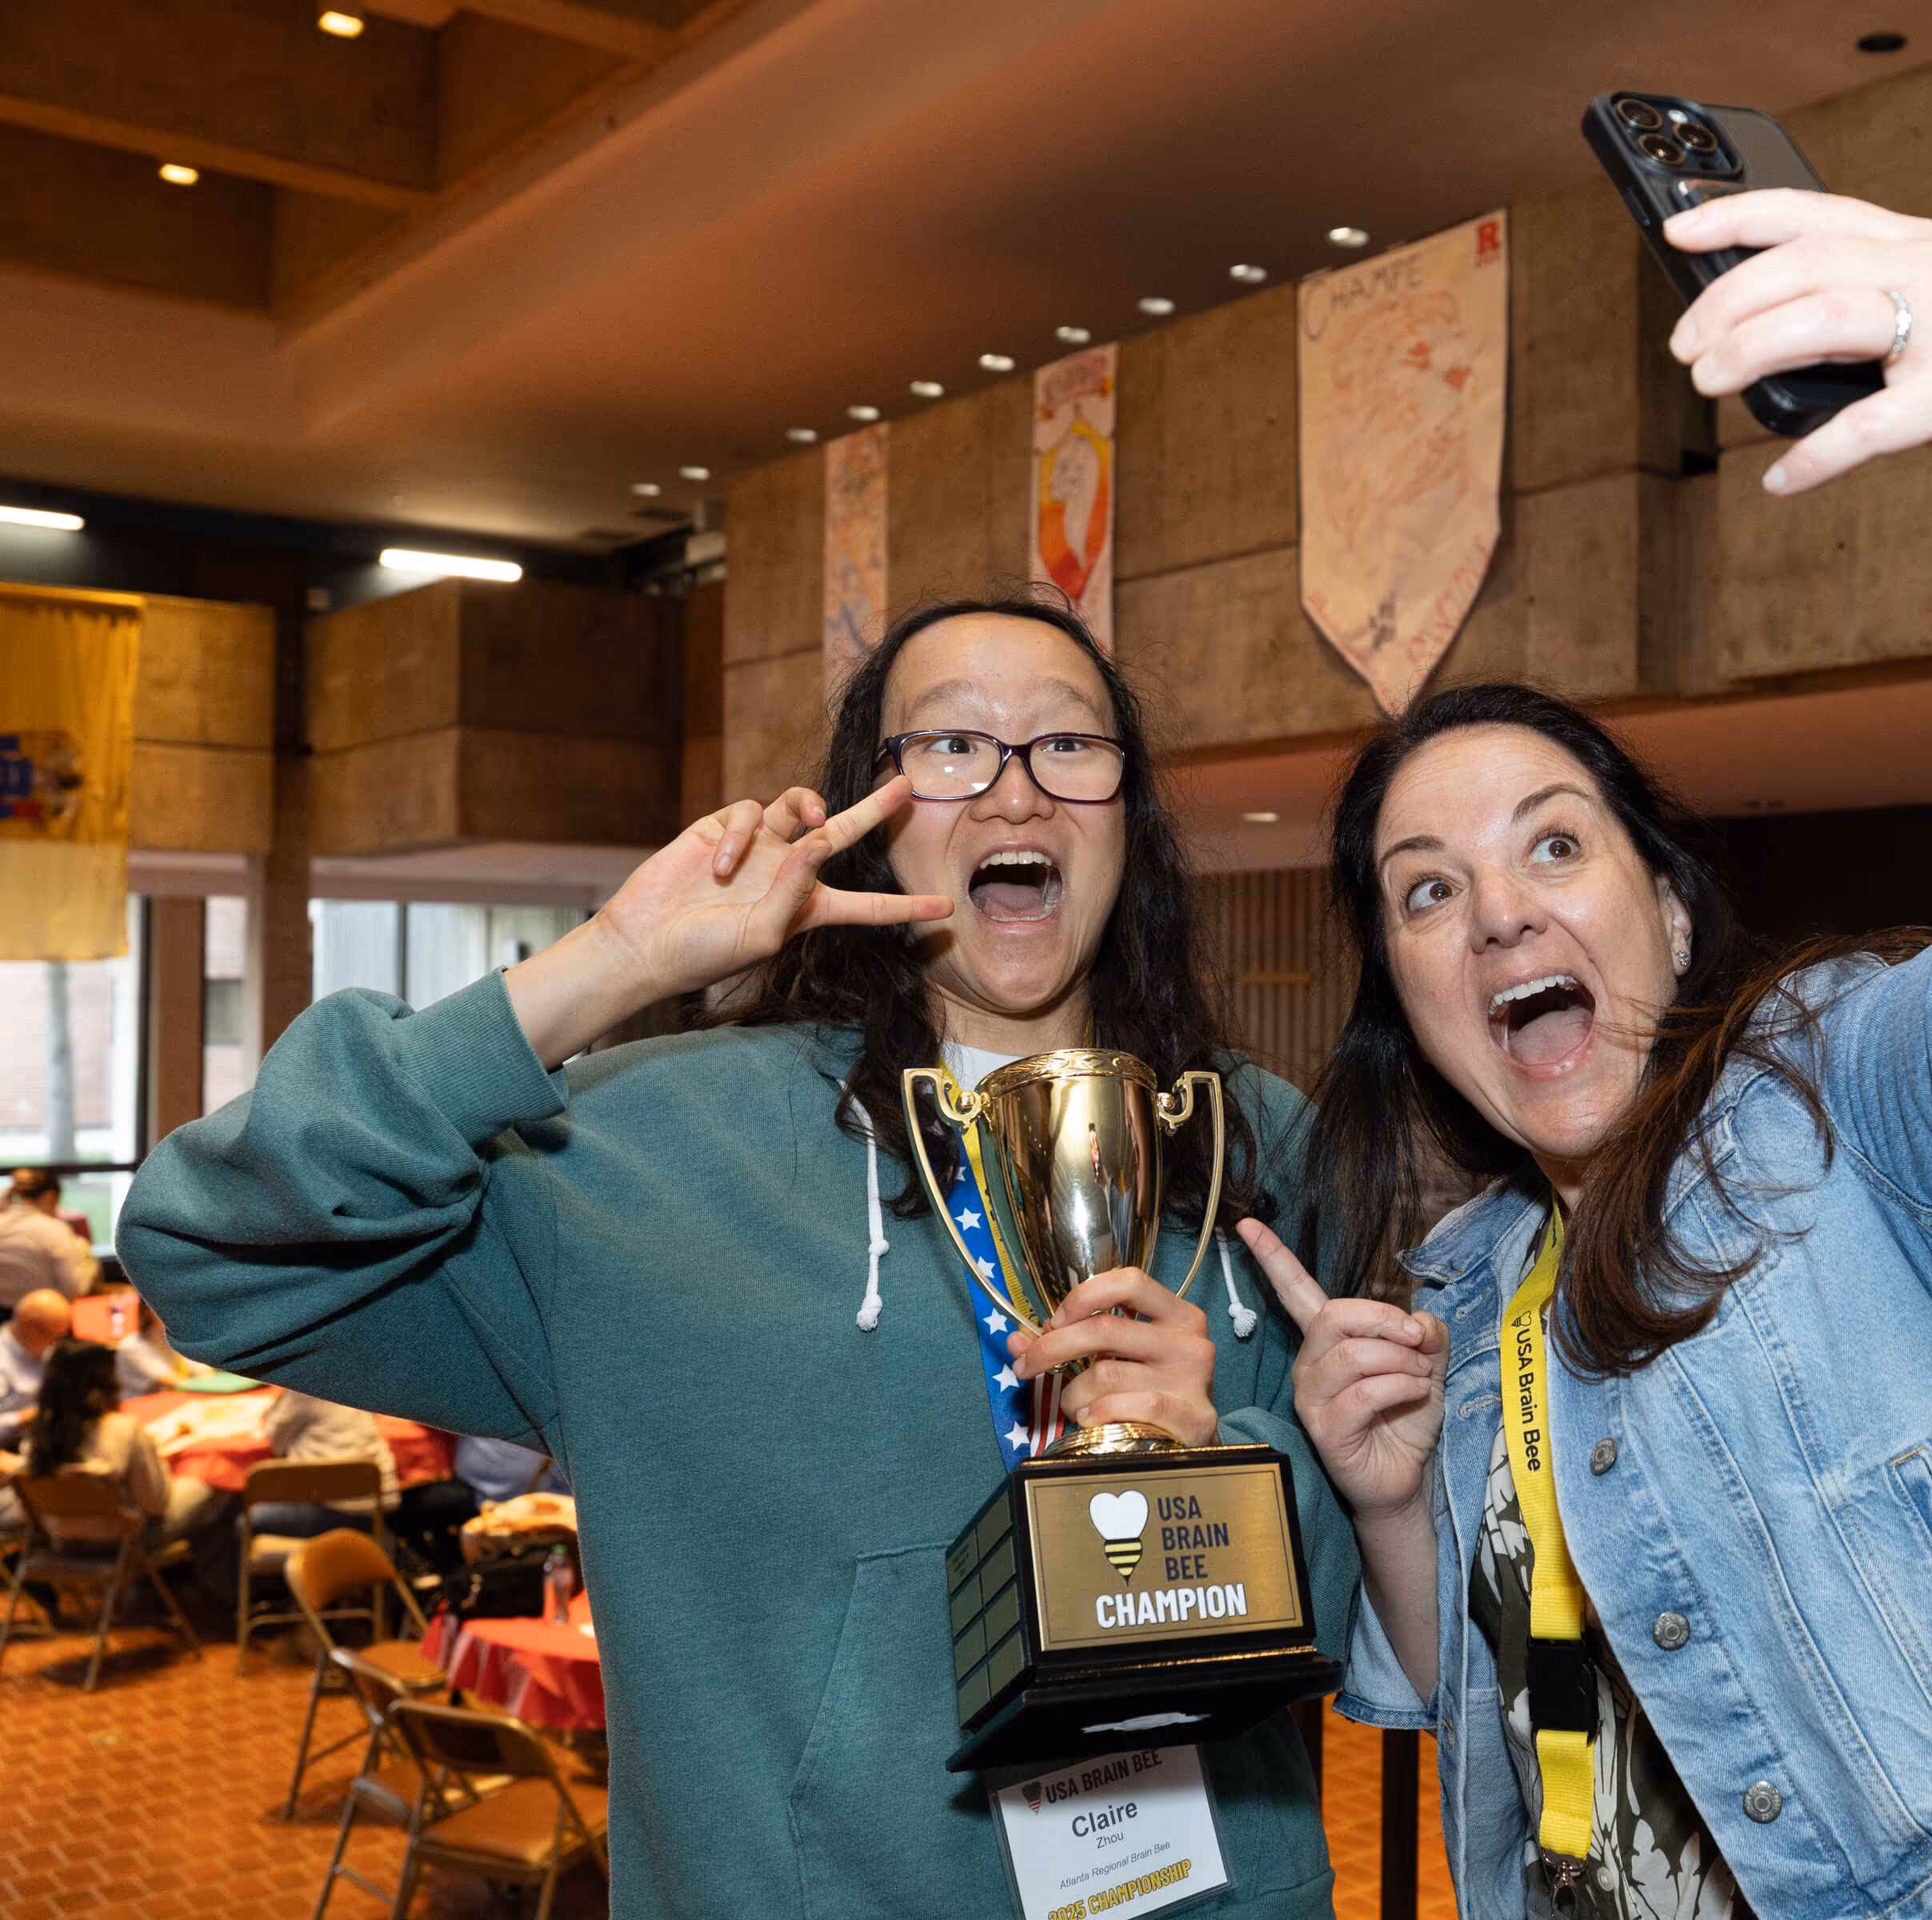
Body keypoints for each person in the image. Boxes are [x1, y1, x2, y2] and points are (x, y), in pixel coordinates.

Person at [1239, 189, 1932, 1920]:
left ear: (1665, 908)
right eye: (1426, 891)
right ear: (1409, 993)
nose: (1497, 913)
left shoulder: (1841, 1103)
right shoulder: (1471, 1275)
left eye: (1554, 847)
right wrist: (1385, 1505)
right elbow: (1481, 1700)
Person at [119, 591, 1357, 1919]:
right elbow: (208, 1250)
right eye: (948, 747)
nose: (1016, 793)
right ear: (864, 817)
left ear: (1129, 813)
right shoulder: (629, 1150)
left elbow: (1338, 1618)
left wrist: (1221, 1461)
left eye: (1070, 745)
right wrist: (606, 966)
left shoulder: (1251, 1140)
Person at [0, 1341, 226, 1548]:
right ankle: (196, 1584)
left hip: (60, 1538)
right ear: (109, 1381)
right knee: (214, 1484)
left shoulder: (38, 1432)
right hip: (126, 1541)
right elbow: (155, 1503)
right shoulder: (125, 1429)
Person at [242, 1388, 402, 1540]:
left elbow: (275, 1441)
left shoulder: (304, 1388)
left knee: (243, 1520)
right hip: (380, 1508)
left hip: (335, 1510)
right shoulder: (356, 1382)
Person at [0, 1170, 97, 1308]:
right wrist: (87, 1257)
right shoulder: (54, 1230)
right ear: (50, 1197)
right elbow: (73, 1290)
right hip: (41, 1317)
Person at [0, 1289, 69, 1441]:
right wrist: (23, 1418)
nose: (55, 1345)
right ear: (30, 1328)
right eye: (53, 1337)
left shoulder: (44, 1349)